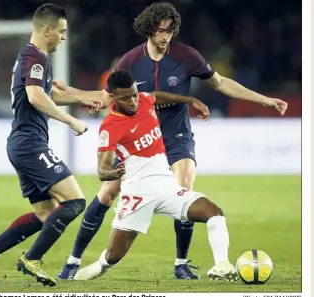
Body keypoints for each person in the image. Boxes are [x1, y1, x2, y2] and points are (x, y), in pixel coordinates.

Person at [57, 2, 288, 280]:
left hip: (176, 135)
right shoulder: (130, 60)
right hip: (138, 143)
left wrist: (264, 100)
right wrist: (74, 93)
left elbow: (222, 83)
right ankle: (73, 261)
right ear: (149, 30)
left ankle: (181, 263)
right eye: (160, 31)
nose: (165, 36)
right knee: (106, 193)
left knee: (185, 185)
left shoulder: (187, 56)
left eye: (169, 30)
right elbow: (108, 97)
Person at [0, 3, 101, 288]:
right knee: (75, 201)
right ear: (47, 30)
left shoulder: (30, 57)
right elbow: (35, 97)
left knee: (46, 213)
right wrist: (71, 121)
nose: (64, 37)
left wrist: (80, 99)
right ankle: (32, 259)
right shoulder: (35, 59)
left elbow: (45, 93)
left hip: (22, 143)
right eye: (62, 31)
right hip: (29, 143)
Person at [73, 70, 238, 282]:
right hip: (137, 193)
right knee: (114, 256)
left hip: (166, 186)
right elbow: (101, 170)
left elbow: (156, 96)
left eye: (134, 94)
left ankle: (222, 265)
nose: (133, 101)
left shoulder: (143, 100)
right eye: (126, 98)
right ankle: (100, 266)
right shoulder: (110, 127)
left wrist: (189, 100)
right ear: (113, 98)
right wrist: (113, 173)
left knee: (214, 212)